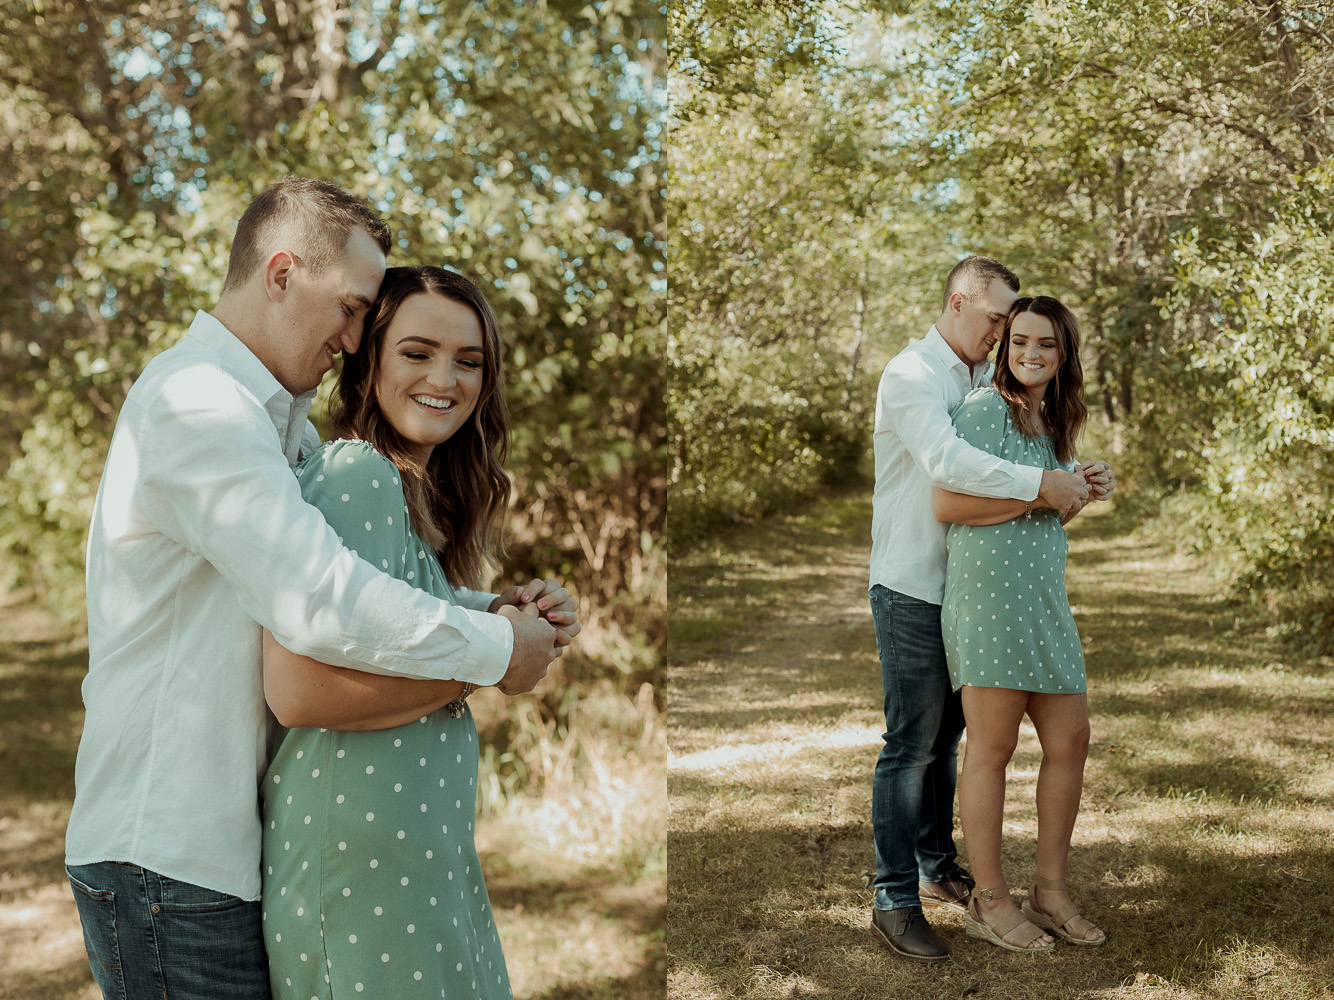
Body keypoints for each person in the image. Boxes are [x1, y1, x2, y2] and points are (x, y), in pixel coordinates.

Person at [65, 178, 571, 1000]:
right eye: (349, 308)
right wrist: (497, 652)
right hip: (168, 857)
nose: (352, 336)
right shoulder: (198, 403)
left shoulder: (271, 422)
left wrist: (491, 611)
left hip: (218, 852)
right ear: (281, 272)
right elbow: (321, 599)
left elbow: (369, 592)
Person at [259, 265, 559, 999]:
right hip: (360, 869)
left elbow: (384, 624)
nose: (445, 379)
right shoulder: (358, 473)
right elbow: (299, 691)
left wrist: (501, 613)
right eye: (417, 352)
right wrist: (496, 660)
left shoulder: (404, 498)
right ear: (371, 362)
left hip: (415, 863)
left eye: (469, 361)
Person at [868, 255, 1113, 962]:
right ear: (957, 304)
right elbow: (947, 474)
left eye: (1024, 330)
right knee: (913, 745)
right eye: (1000, 323)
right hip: (915, 580)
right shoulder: (914, 377)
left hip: (975, 586)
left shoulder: (987, 378)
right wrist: (1046, 485)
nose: (1008, 337)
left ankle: (942, 865)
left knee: (949, 745)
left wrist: (1072, 482)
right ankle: (894, 896)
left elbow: (1035, 489)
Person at [933, 295, 1107, 952]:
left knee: (1071, 740)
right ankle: (990, 898)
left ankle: (1051, 891)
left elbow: (1043, 516)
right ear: (1005, 347)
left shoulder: (1052, 421)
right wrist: (1042, 488)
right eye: (1020, 342)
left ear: (1065, 355)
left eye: (1047, 345)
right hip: (988, 601)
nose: (1030, 354)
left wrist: (1078, 490)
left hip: (1043, 601)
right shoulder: (982, 411)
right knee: (993, 750)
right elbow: (949, 501)